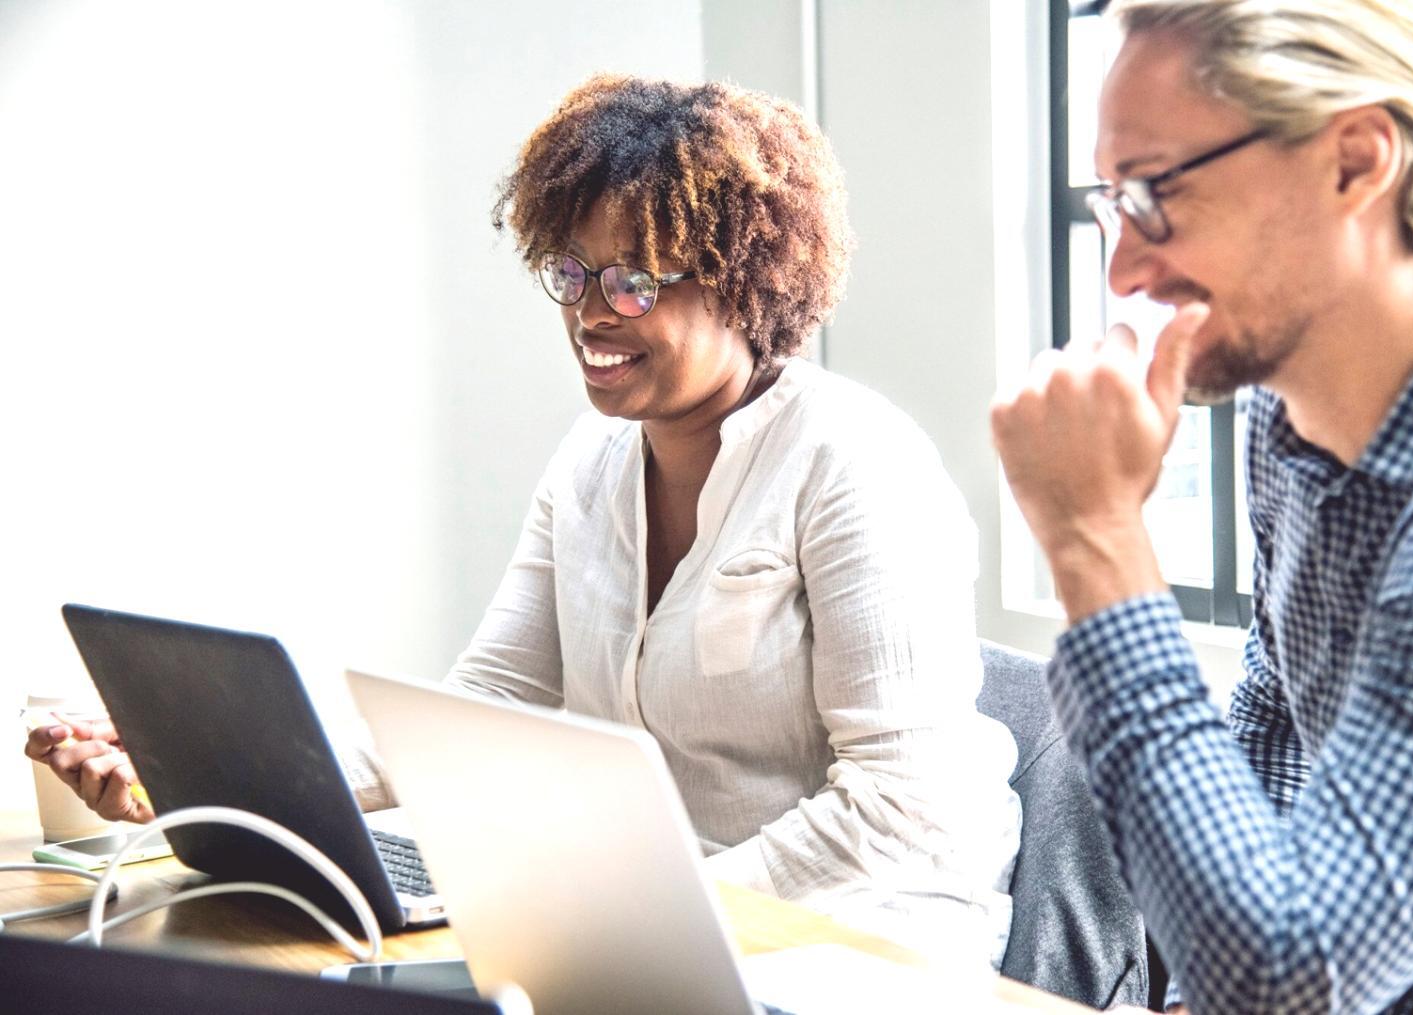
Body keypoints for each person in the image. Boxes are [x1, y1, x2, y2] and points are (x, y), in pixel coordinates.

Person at [28, 74, 1022, 964]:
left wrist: (649, 909)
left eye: (635, 280)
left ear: (742, 278)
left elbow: (906, 807)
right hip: (645, 922)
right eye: (573, 272)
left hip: (857, 933)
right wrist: (202, 778)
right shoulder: (589, 465)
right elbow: (477, 713)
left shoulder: (852, 462)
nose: (592, 312)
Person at [992, 0, 1413, 1011]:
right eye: (1110, 200)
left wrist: (1094, 538)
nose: (1121, 270)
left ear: (1356, 161)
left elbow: (1289, 980)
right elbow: (1277, 719)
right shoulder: (1289, 420)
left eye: (1154, 195)